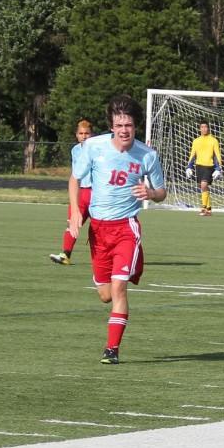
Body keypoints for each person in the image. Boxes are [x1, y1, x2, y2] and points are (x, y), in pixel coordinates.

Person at [68, 94, 166, 364]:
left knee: (119, 289)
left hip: (126, 228)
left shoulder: (148, 155)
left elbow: (162, 193)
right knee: (105, 294)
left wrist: (150, 193)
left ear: (136, 127)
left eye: (129, 126)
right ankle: (121, 281)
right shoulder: (93, 147)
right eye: (119, 125)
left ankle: (111, 349)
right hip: (98, 231)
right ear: (112, 125)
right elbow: (75, 180)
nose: (124, 130)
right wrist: (76, 211)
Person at [50, 119, 94, 265]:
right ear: (76, 135)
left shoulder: (98, 148)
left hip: (98, 193)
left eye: (87, 133)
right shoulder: (75, 150)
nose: (84, 136)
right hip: (82, 192)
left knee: (100, 227)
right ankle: (65, 255)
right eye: (81, 133)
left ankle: (105, 256)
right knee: (72, 222)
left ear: (92, 134)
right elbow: (76, 174)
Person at [185, 121, 223, 217]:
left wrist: (219, 168)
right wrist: (189, 167)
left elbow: (217, 155)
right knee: (202, 187)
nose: (204, 129)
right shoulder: (196, 141)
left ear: (208, 128)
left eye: (205, 127)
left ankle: (203, 208)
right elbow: (192, 155)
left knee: (203, 185)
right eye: (202, 127)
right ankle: (209, 209)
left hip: (209, 166)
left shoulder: (213, 140)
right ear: (199, 128)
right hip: (199, 166)